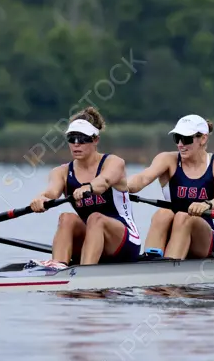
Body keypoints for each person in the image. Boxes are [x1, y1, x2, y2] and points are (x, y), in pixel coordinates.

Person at [29, 107, 141, 269]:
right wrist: (40, 198)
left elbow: (104, 181)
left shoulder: (114, 162)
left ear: (96, 140)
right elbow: (51, 192)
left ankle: (86, 272)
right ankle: (57, 267)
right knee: (66, 217)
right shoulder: (61, 172)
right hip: (91, 238)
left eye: (82, 139)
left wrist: (89, 187)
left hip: (124, 242)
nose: (76, 144)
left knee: (95, 218)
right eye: (71, 138)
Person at [126, 114, 214, 260]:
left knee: (183, 217)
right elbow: (142, 178)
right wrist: (120, 185)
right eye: (177, 138)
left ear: (203, 139)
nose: (180, 144)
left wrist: (206, 205)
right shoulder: (167, 159)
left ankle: (169, 269)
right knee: (162, 213)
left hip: (205, 240)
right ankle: (152, 259)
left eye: (187, 139)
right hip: (173, 232)